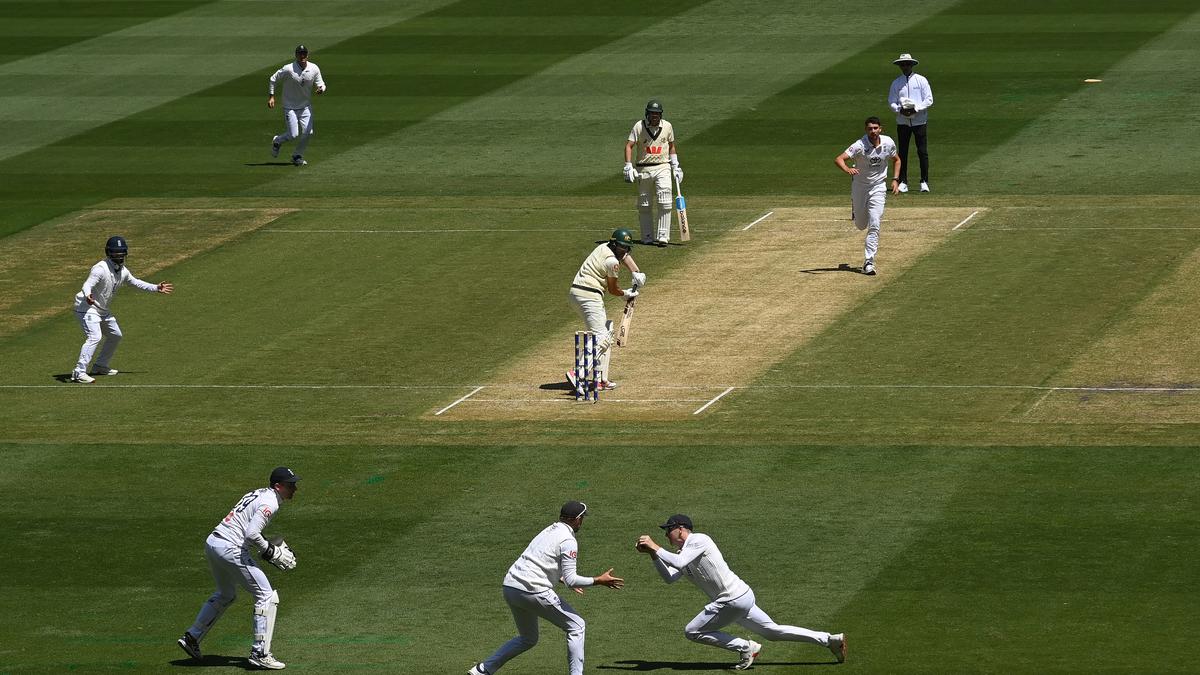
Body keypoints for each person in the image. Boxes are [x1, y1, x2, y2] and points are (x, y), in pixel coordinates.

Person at [636, 515, 846, 670]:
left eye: (668, 530)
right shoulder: (684, 553)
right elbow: (669, 578)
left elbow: (679, 562)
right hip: (740, 598)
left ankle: (746, 647)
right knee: (773, 632)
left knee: (692, 631)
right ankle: (830, 640)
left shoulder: (700, 540)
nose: (666, 535)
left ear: (681, 529)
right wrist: (654, 554)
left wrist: (655, 545)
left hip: (731, 600)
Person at [468, 501, 624, 675]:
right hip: (533, 589)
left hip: (511, 586)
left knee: (528, 638)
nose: (582, 522)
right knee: (577, 626)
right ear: (577, 519)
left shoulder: (549, 530)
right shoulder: (568, 540)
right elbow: (573, 580)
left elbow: (541, 560)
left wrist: (562, 579)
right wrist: (599, 580)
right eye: (582, 518)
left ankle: (482, 670)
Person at [177, 467, 301, 670]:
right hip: (230, 548)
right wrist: (270, 551)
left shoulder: (259, 493)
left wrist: (266, 547)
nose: (294, 488)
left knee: (226, 593)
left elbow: (245, 528)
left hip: (213, 543)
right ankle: (260, 653)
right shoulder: (270, 503)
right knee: (267, 596)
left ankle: (192, 637)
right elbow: (252, 534)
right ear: (278, 486)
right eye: (290, 485)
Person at [69, 235, 173, 383]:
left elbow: (135, 282)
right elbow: (87, 284)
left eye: (122, 253)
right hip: (87, 307)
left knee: (115, 335)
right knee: (95, 337)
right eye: (116, 253)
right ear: (108, 253)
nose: (119, 256)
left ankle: (100, 366)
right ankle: (79, 372)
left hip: (102, 309)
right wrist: (88, 295)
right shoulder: (100, 269)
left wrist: (155, 288)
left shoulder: (123, 271)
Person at [565, 229, 646, 391]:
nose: (625, 250)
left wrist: (636, 271)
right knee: (601, 336)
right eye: (622, 247)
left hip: (579, 293)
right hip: (588, 295)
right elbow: (613, 289)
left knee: (606, 330)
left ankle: (601, 379)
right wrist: (626, 293)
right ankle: (577, 372)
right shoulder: (611, 262)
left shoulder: (604, 247)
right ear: (615, 244)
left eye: (627, 247)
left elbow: (623, 255)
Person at [834, 117, 900, 276]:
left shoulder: (888, 142)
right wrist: (847, 169)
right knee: (861, 225)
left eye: (875, 128)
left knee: (875, 223)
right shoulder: (859, 145)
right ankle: (856, 209)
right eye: (870, 128)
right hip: (860, 187)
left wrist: (896, 180)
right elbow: (839, 159)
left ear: (880, 129)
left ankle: (868, 262)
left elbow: (896, 160)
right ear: (866, 130)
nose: (873, 131)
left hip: (878, 187)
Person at [624, 99, 683, 246]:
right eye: (652, 114)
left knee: (665, 199)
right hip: (643, 168)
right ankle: (647, 236)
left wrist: (676, 165)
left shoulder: (667, 126)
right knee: (644, 204)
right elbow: (629, 146)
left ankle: (663, 236)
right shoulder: (639, 126)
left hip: (663, 166)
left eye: (657, 114)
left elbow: (671, 146)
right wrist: (628, 166)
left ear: (660, 115)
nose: (655, 117)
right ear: (647, 114)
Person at [268, 44, 326, 166]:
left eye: (304, 53)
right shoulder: (288, 69)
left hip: (305, 106)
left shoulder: (314, 68)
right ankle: (277, 141)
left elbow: (321, 83)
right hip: (290, 107)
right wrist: (271, 97)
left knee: (308, 133)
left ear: (307, 55)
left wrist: (321, 89)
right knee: (293, 135)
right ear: (296, 55)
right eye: (300, 54)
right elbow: (273, 79)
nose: (302, 56)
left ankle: (296, 156)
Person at [887, 53, 933, 193]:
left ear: (912, 65)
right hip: (903, 122)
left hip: (919, 121)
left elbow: (929, 99)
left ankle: (924, 181)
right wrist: (900, 110)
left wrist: (915, 109)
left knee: (922, 151)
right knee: (902, 152)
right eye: (902, 64)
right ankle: (903, 182)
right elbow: (892, 102)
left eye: (907, 64)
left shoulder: (921, 80)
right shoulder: (896, 83)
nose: (905, 66)